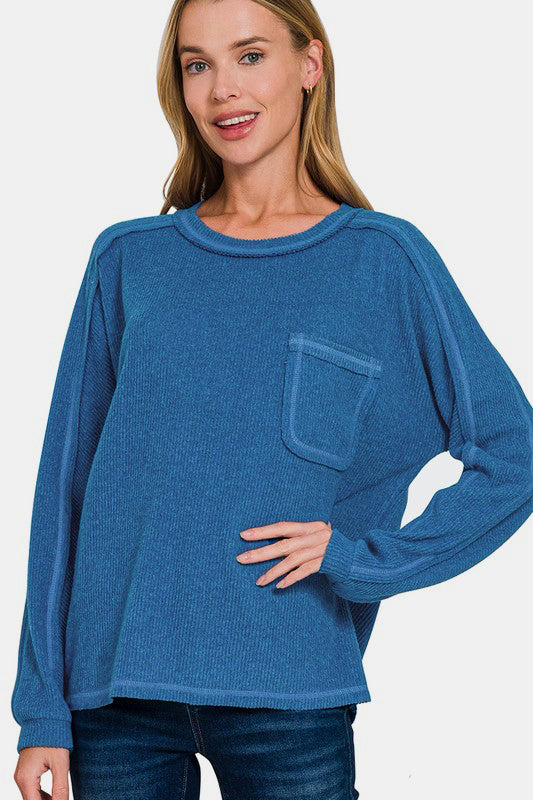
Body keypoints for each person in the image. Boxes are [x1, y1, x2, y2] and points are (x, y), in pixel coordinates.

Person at [11, 0, 532, 797]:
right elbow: (65, 492)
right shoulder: (128, 261)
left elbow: (511, 453)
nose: (223, 88)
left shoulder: (381, 261)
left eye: (249, 55)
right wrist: (41, 708)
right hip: (115, 699)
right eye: (197, 64)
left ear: (309, 65)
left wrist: (360, 559)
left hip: (290, 695)